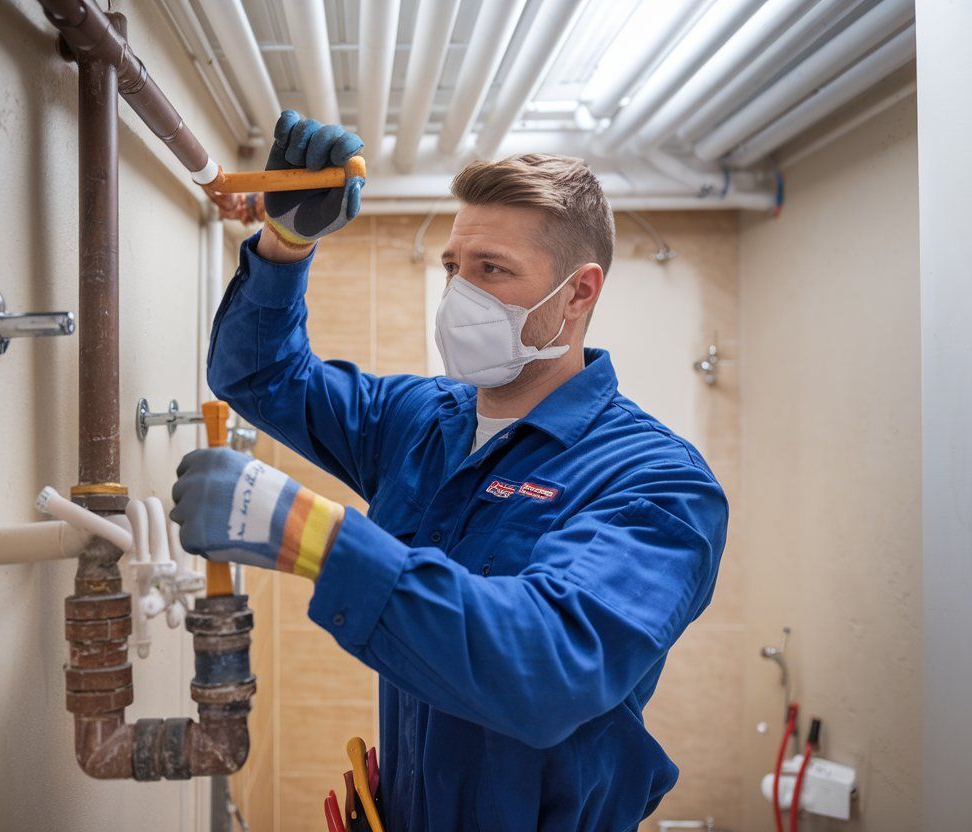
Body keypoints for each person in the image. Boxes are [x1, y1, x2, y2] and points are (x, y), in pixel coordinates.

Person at [170, 111, 728, 831]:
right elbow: (258, 374)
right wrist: (284, 244)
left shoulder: (656, 483)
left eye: (491, 270)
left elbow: (549, 664)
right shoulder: (421, 420)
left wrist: (311, 534)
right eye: (453, 268)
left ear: (579, 293)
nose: (459, 296)